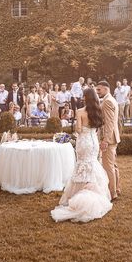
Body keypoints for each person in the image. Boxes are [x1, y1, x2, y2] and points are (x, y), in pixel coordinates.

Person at [51, 87, 113, 223]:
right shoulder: (97, 111)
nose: (82, 97)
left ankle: (78, 195)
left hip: (84, 141)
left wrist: (76, 130)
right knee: (92, 164)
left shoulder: (79, 111)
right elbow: (98, 127)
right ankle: (94, 192)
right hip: (93, 142)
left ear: (86, 97)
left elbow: (78, 129)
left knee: (81, 165)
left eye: (84, 96)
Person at [96, 80, 121, 200]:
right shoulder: (111, 100)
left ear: (106, 89)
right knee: (113, 165)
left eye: (99, 89)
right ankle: (116, 188)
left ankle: (112, 193)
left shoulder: (107, 102)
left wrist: (105, 140)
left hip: (109, 139)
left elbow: (110, 122)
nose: (97, 92)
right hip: (114, 137)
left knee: (108, 167)